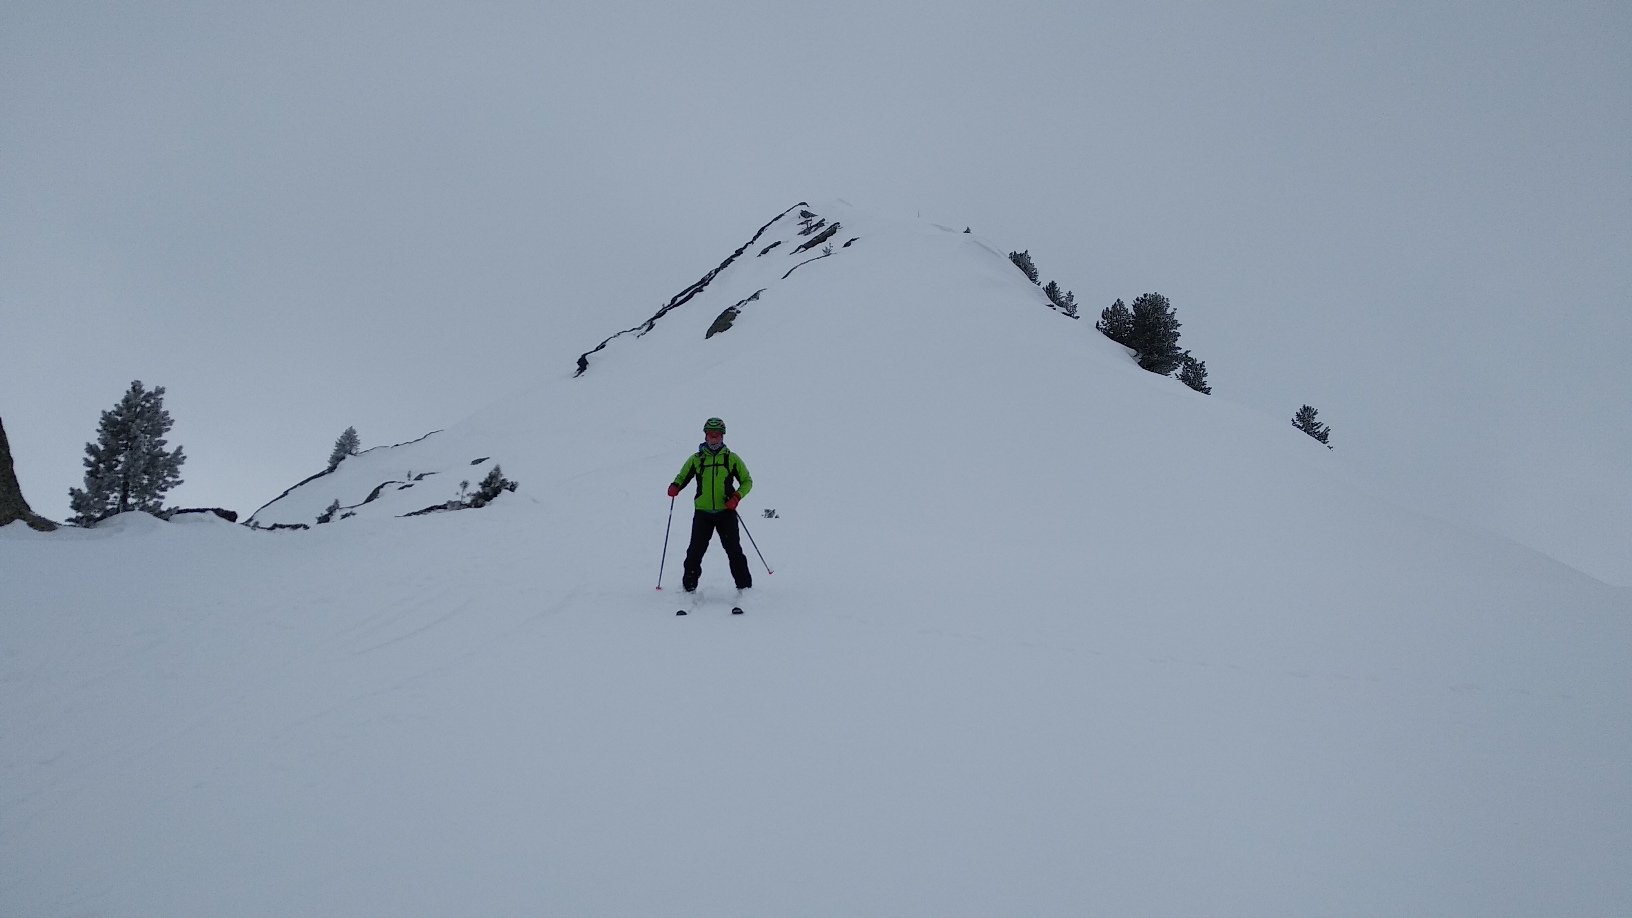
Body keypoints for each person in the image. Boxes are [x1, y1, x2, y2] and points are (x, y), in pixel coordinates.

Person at [667, 417, 753, 594]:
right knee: (694, 552)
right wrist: (675, 486)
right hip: (703, 513)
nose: (714, 438)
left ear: (722, 436)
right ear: (705, 436)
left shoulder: (731, 459)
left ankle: (744, 588)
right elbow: (683, 476)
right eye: (711, 434)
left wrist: (736, 497)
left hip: (726, 512)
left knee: (734, 551)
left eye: (717, 435)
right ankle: (688, 588)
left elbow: (747, 481)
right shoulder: (697, 459)